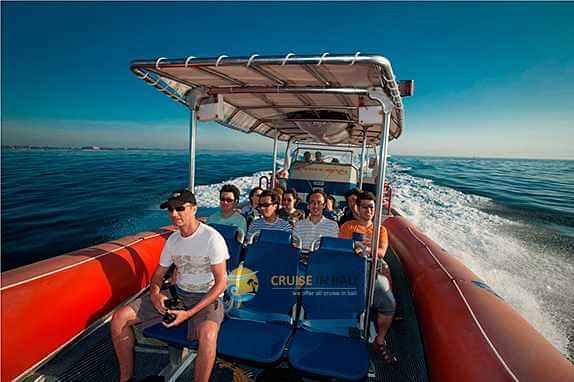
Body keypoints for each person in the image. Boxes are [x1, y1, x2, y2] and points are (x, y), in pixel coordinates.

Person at [111, 189, 228, 382]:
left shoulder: (211, 238)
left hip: (207, 297)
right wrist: (156, 294)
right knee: (119, 318)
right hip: (179, 294)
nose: (174, 214)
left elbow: (221, 282)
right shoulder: (173, 240)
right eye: (171, 210)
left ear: (194, 209)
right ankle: (126, 379)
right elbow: (157, 275)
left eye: (180, 209)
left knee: (207, 336)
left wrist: (189, 314)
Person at [339, 191, 397, 364]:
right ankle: (348, 331)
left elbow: (381, 252)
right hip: (350, 270)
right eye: (365, 207)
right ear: (357, 207)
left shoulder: (381, 229)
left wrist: (364, 250)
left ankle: (379, 340)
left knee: (389, 304)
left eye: (372, 207)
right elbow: (342, 249)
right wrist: (354, 249)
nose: (369, 210)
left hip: (373, 271)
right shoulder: (348, 227)